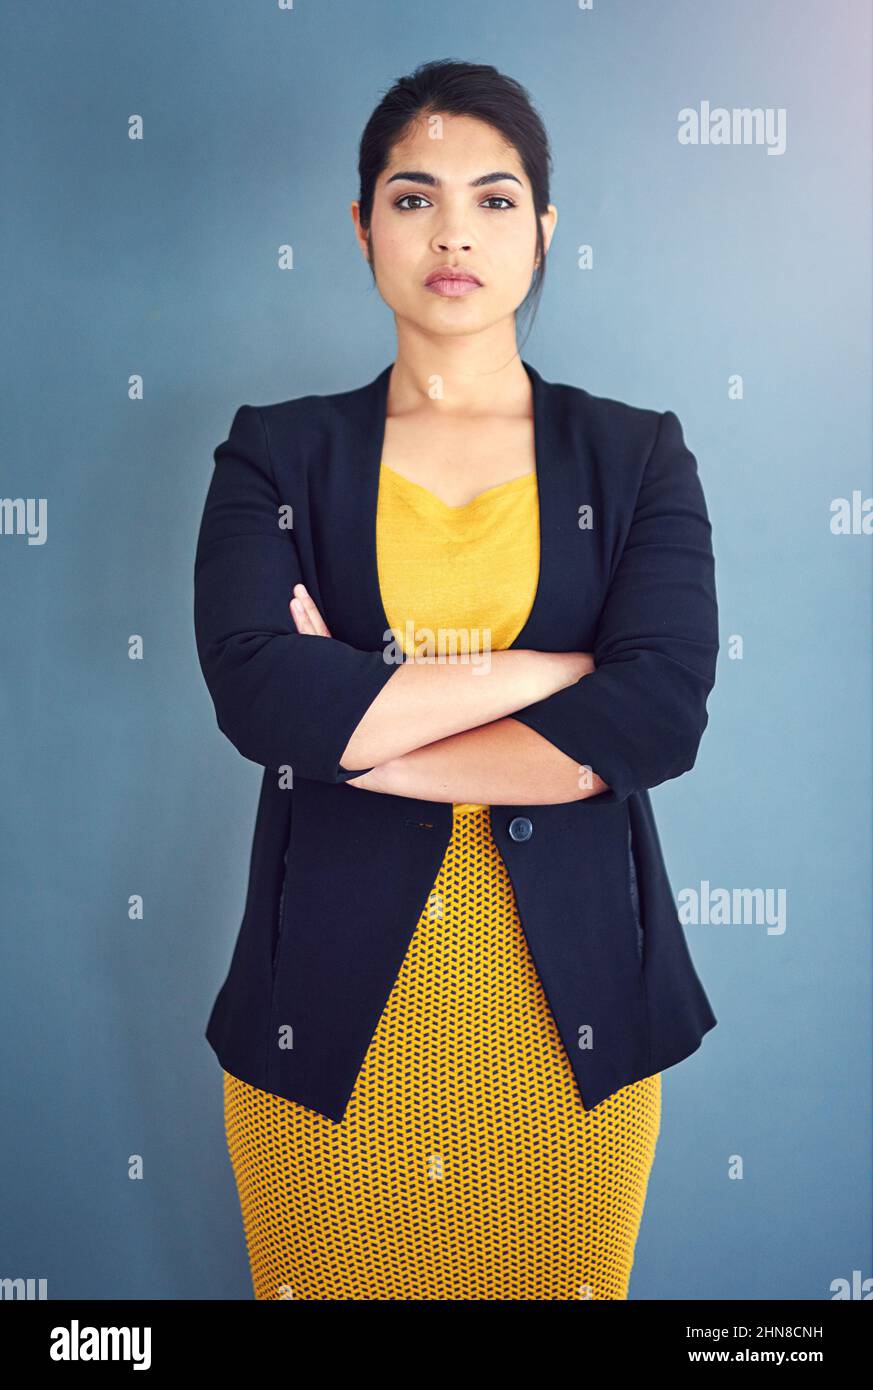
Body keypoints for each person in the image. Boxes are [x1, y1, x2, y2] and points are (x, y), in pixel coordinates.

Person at [196, 59, 719, 1300]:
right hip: (323, 1020)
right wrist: (555, 671)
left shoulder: (635, 452)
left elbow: (655, 711)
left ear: (543, 231)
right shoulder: (277, 452)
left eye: (494, 199)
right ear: (363, 223)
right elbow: (264, 698)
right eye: (412, 194)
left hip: (569, 1023)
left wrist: (366, 736)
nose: (452, 232)